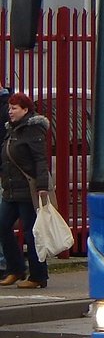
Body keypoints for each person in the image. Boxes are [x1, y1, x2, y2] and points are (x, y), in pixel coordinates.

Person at [0, 92, 51, 289]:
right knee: (3, 226)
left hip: (28, 190)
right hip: (11, 189)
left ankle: (39, 275)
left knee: (32, 232)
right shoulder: (11, 130)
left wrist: (42, 187)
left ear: (25, 110)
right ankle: (16, 269)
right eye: (10, 107)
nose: (10, 111)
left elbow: (40, 160)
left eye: (14, 108)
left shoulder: (32, 130)